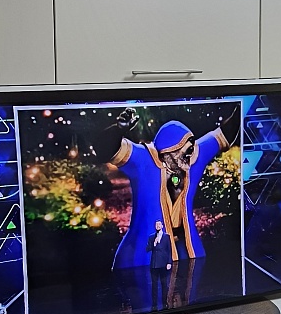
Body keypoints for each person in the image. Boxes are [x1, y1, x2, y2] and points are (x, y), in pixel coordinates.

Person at [101, 105, 240, 270]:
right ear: (168, 151)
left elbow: (225, 133)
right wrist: (118, 129)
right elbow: (105, 149)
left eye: (191, 149)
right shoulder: (144, 161)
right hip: (146, 255)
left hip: (186, 252)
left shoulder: (193, 158)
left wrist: (243, 105)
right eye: (186, 151)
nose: (191, 154)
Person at [146, 220, 172, 310]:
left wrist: (169, 262)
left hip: (164, 264)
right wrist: (154, 243)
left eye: (159, 224)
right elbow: (147, 249)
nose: (157, 226)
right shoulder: (151, 237)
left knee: (164, 283)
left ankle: (165, 302)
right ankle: (154, 304)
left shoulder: (166, 236)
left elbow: (169, 250)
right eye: (156, 225)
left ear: (162, 226)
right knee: (154, 284)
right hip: (154, 264)